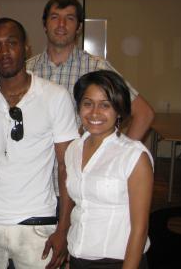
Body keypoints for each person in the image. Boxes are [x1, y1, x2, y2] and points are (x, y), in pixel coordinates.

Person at [0, 18, 79, 269]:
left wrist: (64, 228)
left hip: (37, 222)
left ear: (25, 47)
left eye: (11, 43)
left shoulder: (55, 97)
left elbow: (67, 166)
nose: (4, 52)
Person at [26, 0, 154, 196]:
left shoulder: (97, 67)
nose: (61, 24)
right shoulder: (27, 71)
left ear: (78, 28)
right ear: (44, 24)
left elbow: (144, 113)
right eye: (54, 17)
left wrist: (115, 155)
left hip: (81, 184)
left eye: (69, 18)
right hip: (35, 184)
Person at [66, 70, 154, 268]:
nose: (95, 112)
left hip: (118, 262)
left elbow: (140, 228)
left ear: (119, 110)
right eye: (88, 103)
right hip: (78, 258)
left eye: (105, 105)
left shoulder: (133, 156)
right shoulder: (73, 149)